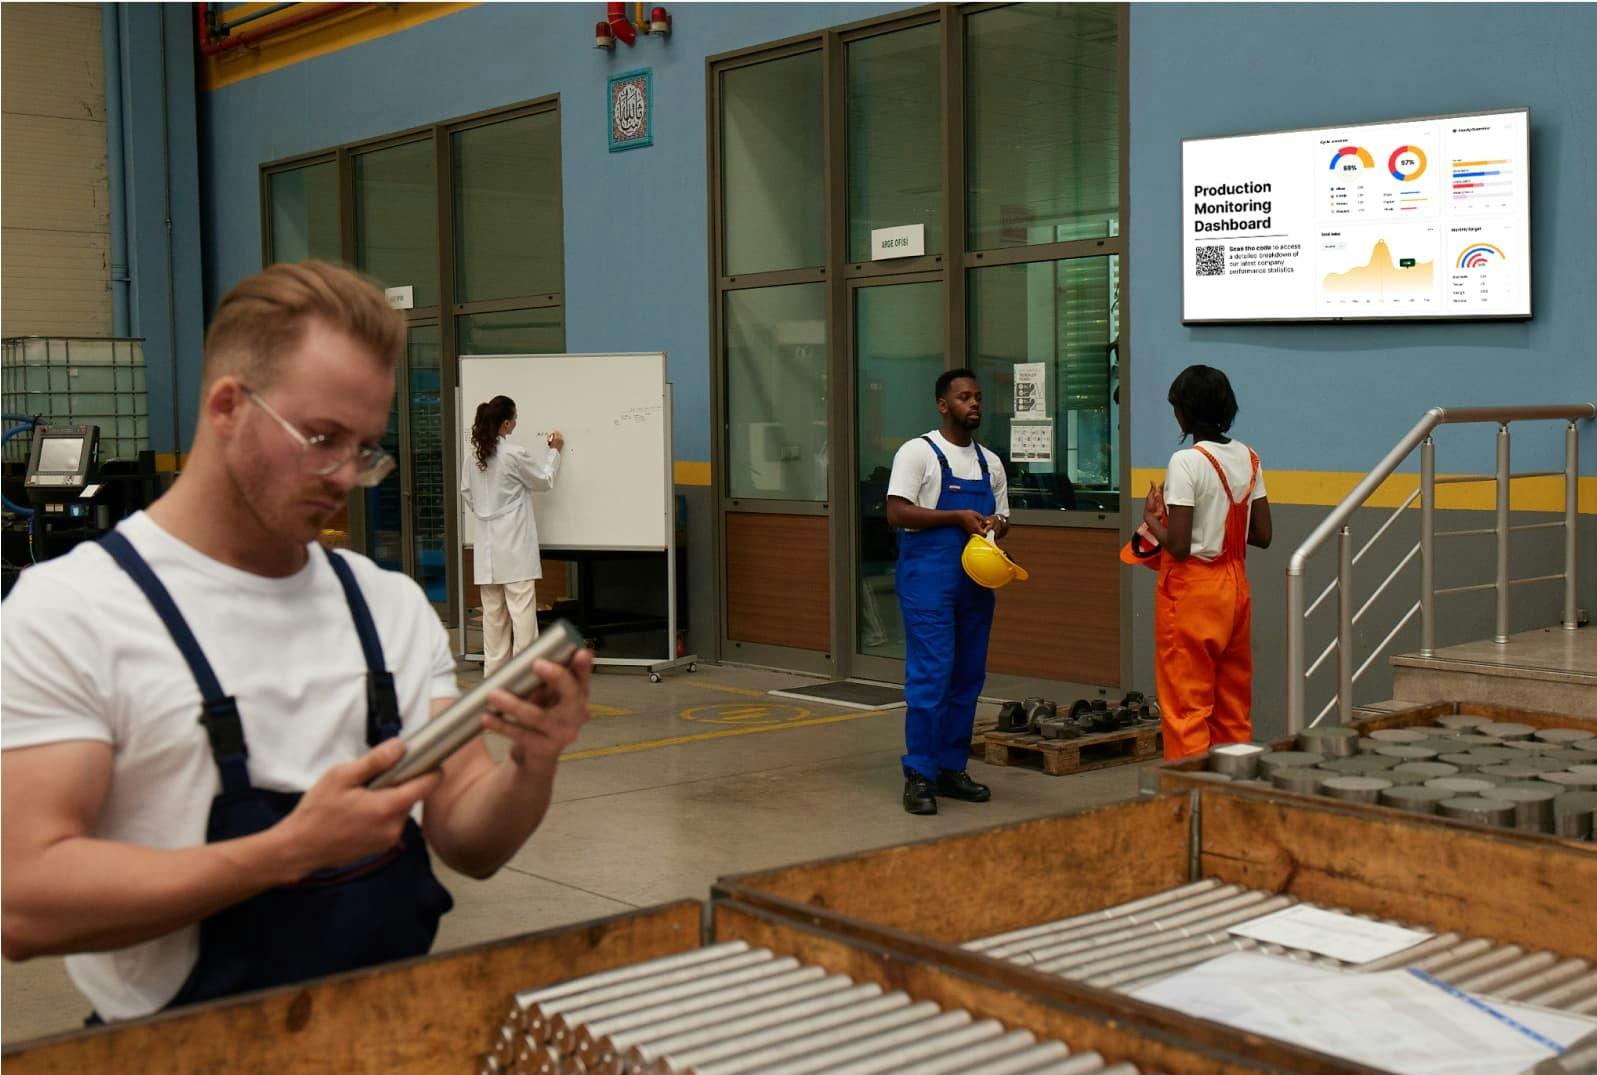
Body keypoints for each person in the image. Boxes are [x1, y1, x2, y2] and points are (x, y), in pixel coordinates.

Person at [0, 261, 594, 1022]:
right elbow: (25, 902)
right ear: (227, 406)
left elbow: (467, 837)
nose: (345, 475)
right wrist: (287, 850)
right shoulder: (74, 611)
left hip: (389, 1034)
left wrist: (531, 767)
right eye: (321, 438)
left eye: (366, 448)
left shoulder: (386, 607)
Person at [885, 368, 1010, 815]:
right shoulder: (918, 453)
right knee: (932, 676)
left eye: (977, 397)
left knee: (967, 677)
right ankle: (919, 773)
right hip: (928, 581)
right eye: (963, 397)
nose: (974, 403)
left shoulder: (989, 462)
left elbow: (1004, 519)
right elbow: (897, 513)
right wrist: (957, 516)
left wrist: (997, 524)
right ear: (943, 405)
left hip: (976, 584)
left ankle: (951, 767)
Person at [1139, 364, 1271, 760]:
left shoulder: (1186, 461)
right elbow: (1262, 535)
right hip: (1235, 588)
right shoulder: (1249, 457)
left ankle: (1190, 800)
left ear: (1186, 411)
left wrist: (1151, 520)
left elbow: (1178, 546)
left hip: (1192, 591)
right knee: (1232, 704)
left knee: (1187, 706)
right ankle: (1229, 796)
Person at [461, 396, 563, 675]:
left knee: (493, 621)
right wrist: (554, 451)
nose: (516, 423)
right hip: (515, 549)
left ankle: (494, 681)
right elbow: (544, 480)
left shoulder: (475, 457)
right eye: (515, 419)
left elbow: (467, 493)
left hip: (487, 552)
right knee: (523, 618)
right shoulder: (513, 454)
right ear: (506, 423)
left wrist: (486, 511)